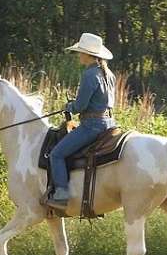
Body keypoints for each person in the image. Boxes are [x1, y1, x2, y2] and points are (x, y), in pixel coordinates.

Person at [46, 32, 117, 210]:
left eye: (80, 52)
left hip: (92, 126)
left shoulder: (89, 75)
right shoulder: (108, 74)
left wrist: (69, 107)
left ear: (88, 54)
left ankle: (61, 195)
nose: (79, 55)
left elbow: (81, 105)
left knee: (56, 154)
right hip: (110, 123)